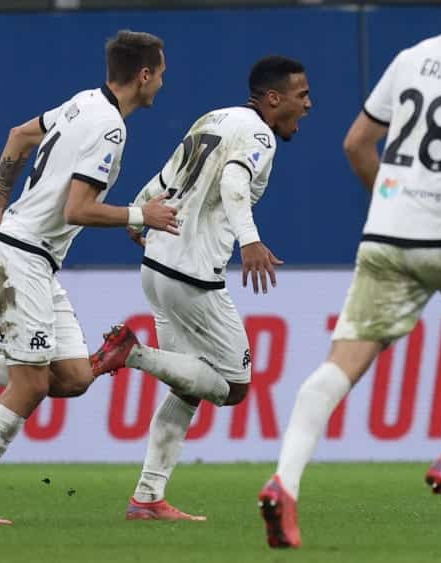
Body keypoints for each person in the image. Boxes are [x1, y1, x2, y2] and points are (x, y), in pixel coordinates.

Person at [258, 0, 441, 548]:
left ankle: (284, 482)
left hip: (388, 231)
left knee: (344, 360)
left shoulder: (410, 57)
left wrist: (393, 199)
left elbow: (356, 143)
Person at [0, 30, 176, 525]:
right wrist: (140, 215)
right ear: (144, 75)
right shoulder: (111, 128)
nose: (163, 81)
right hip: (21, 256)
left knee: (73, 377)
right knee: (28, 385)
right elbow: (78, 208)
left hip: (34, 258)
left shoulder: (82, 103)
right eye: (162, 72)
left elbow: (18, 136)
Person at [87, 56, 311, 522]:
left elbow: (173, 171)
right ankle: (132, 354)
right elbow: (233, 181)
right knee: (234, 387)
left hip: (156, 265)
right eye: (301, 94)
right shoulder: (260, 134)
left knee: (186, 386)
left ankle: (147, 497)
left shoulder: (215, 117)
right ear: (274, 98)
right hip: (192, 277)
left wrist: (141, 205)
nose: (307, 105)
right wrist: (250, 241)